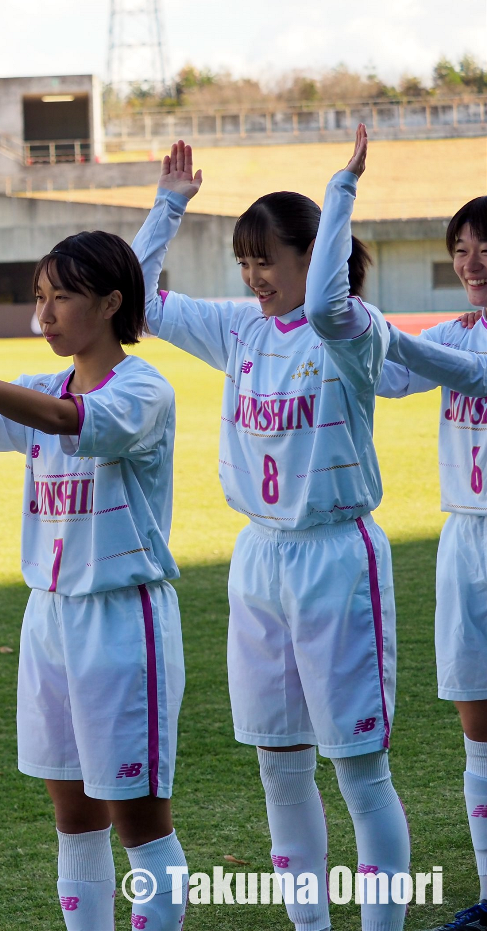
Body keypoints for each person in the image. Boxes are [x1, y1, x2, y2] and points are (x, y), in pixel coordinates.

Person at [134, 132, 412, 931]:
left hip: (335, 554)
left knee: (359, 770)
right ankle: (310, 924)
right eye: (244, 260)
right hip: (258, 558)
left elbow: (327, 301)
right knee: (279, 768)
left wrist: (340, 195)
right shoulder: (237, 329)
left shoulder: (350, 331)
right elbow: (141, 299)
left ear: (314, 257)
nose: (254, 277)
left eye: (268, 260)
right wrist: (167, 206)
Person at [0, 213, 191, 931]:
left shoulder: (144, 389)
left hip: (120, 619)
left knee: (139, 820)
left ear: (111, 303)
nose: (44, 314)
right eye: (38, 296)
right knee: (73, 817)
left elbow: (67, 419)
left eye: (61, 298)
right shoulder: (41, 383)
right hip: (48, 617)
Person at [377, 197, 487, 931]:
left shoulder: (454, 346)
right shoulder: (453, 333)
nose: (470, 262)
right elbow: (389, 378)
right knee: (476, 727)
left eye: (485, 247)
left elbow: (462, 372)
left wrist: (383, 334)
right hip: (463, 541)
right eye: (460, 248)